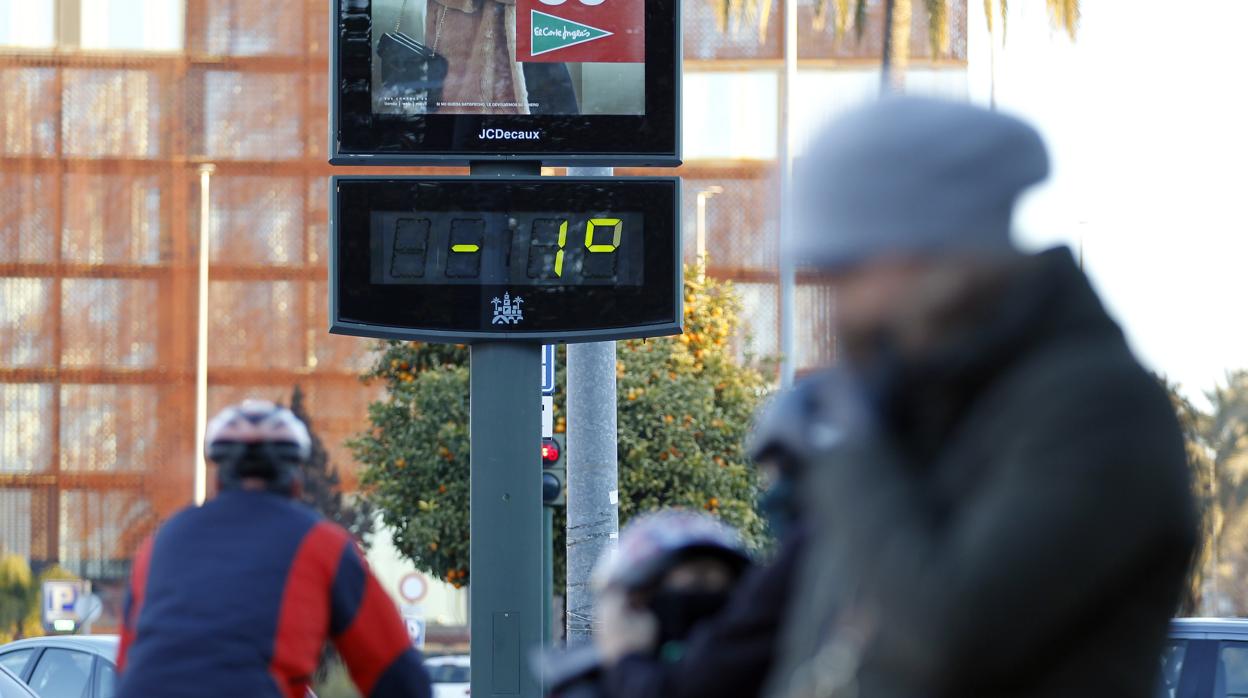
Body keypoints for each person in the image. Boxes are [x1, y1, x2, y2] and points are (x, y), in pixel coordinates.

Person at [766, 97, 1198, 698]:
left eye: (852, 270)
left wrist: (847, 451)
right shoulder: (921, 408)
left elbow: (951, 638)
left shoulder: (1095, 409)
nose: (845, 310)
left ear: (941, 250)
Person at [116, 400, 432, 698]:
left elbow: (126, 661)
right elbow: (395, 669)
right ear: (295, 480)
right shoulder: (322, 544)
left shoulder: (162, 541)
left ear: (218, 480)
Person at [587, 376, 845, 698]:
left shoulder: (819, 555)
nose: (768, 495)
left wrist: (625, 659)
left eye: (776, 475)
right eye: (691, 579)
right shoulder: (837, 561)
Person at [546, 510, 753, 698]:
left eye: (723, 587)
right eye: (696, 583)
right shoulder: (586, 688)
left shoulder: (758, 668)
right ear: (632, 605)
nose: (708, 598)